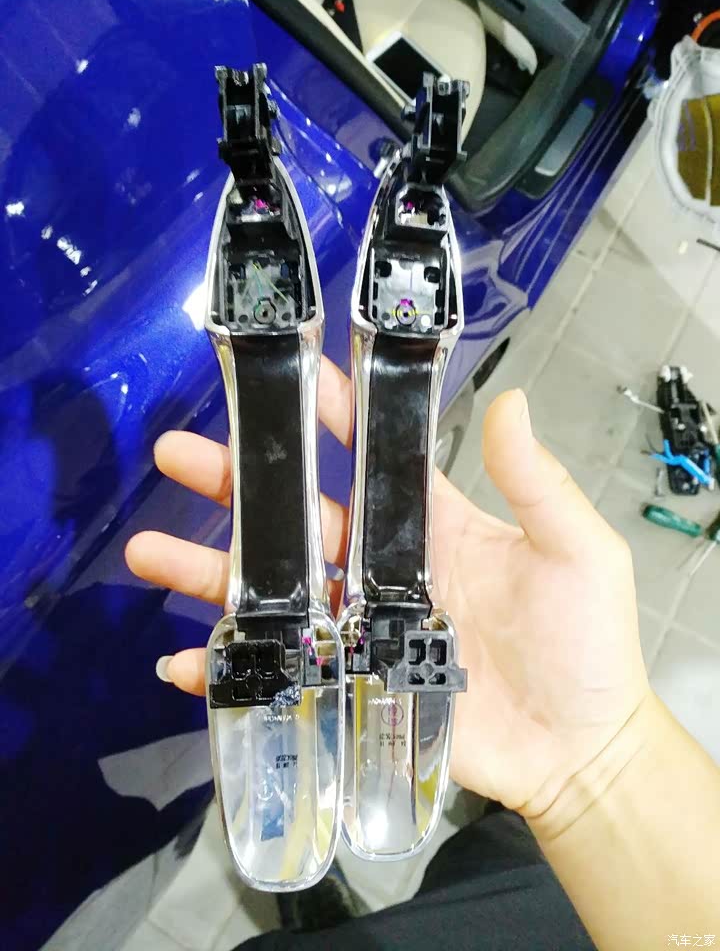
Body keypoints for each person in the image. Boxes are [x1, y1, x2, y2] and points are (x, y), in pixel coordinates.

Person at [126, 357, 720, 950]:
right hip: (573, 891)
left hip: (548, 899)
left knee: (486, 875)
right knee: (499, 864)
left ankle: (324, 919)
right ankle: (329, 915)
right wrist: (600, 762)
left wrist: (603, 763)